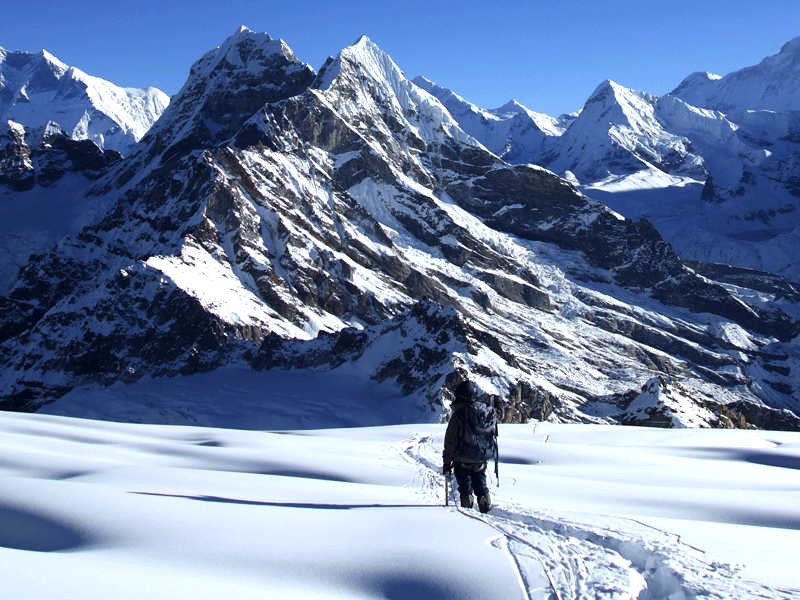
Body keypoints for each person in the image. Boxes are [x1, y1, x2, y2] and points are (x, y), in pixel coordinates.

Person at [442, 381, 492, 513]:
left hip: (462, 460)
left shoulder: (458, 416)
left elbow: (450, 442)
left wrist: (447, 463)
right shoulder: (482, 412)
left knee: (465, 489)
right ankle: (486, 509)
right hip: (480, 458)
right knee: (481, 487)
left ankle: (468, 515)